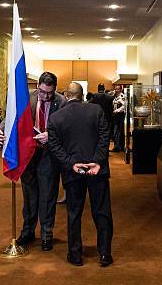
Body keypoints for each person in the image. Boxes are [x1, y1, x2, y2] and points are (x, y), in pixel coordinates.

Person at [0, 72, 65, 251]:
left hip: (49, 154)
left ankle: (46, 234)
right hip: (28, 153)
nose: (46, 96)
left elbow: (67, 127)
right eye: (42, 92)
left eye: (49, 93)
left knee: (48, 195)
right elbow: (12, 117)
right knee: (29, 195)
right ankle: (28, 232)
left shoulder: (62, 102)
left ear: (55, 88)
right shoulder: (28, 98)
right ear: (38, 86)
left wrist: (51, 135)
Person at [48, 82, 114, 267]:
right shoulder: (97, 111)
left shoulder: (55, 118)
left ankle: (75, 255)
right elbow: (104, 137)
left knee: (74, 213)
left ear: (66, 96)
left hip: (72, 172)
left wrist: (72, 164)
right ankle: (105, 255)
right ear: (83, 94)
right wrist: (97, 162)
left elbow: (54, 147)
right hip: (97, 171)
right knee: (102, 212)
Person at [111, 85, 126, 152]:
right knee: (115, 132)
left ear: (120, 89)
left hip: (120, 115)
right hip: (115, 116)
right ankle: (116, 146)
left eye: (118, 89)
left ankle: (120, 147)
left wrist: (117, 111)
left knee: (120, 131)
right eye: (115, 89)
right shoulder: (115, 97)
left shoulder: (122, 96)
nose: (116, 90)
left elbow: (124, 106)